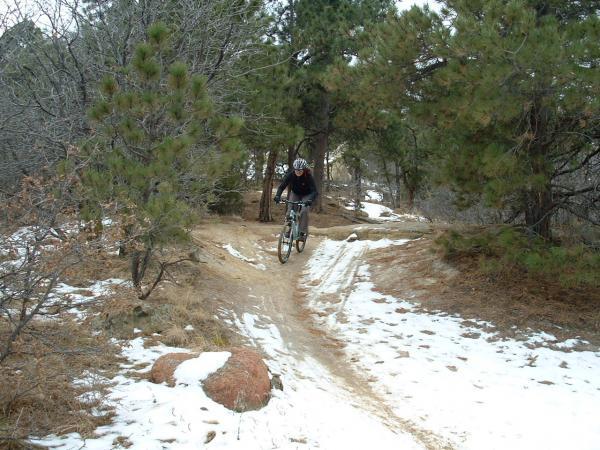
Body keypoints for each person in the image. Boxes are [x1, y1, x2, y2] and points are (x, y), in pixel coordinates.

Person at [274, 158, 318, 241]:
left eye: (300, 170)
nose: (298, 172)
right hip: (295, 193)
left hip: (307, 194)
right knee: (290, 211)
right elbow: (282, 186)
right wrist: (277, 196)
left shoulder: (308, 176)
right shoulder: (291, 175)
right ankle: (288, 229)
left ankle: (302, 232)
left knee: (304, 211)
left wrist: (310, 200)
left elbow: (315, 191)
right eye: (296, 170)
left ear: (304, 170)